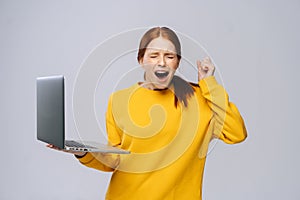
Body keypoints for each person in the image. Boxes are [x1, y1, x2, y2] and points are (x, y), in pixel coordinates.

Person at [48, 26, 247, 199]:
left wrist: (208, 83)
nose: (162, 62)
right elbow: (116, 160)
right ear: (141, 60)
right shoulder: (119, 100)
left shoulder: (200, 100)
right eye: (154, 56)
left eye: (169, 57)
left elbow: (237, 133)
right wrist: (81, 151)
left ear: (177, 63)